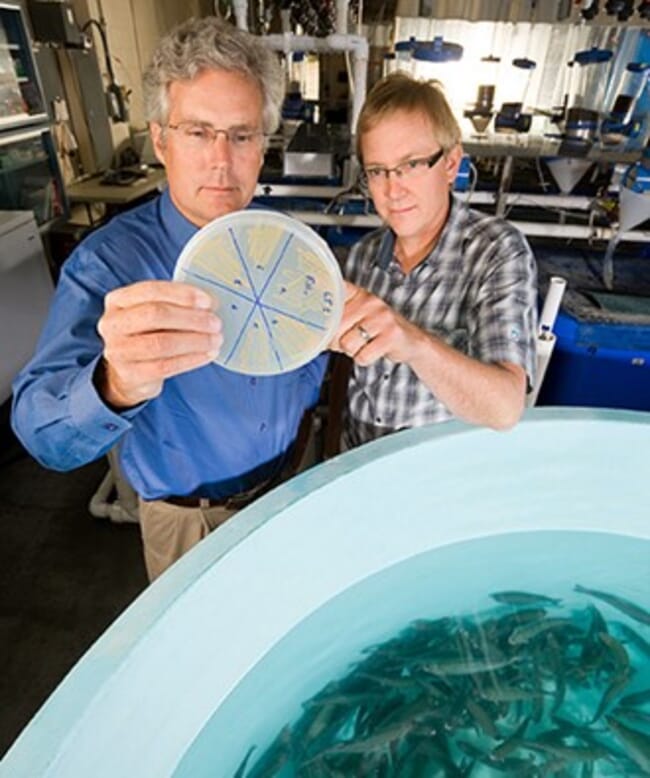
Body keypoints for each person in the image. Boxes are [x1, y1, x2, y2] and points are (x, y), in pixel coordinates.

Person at [11, 17, 328, 581]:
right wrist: (113, 385)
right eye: (198, 132)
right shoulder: (109, 264)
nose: (221, 159)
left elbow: (310, 360)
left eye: (242, 134)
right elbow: (43, 435)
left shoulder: (284, 245)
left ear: (263, 144)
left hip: (289, 492)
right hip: (190, 524)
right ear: (160, 140)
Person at [330, 72, 538, 449]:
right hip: (356, 466)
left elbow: (506, 407)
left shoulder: (495, 251)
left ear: (450, 163)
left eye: (411, 164)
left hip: (437, 477)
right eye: (378, 171)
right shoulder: (362, 257)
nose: (394, 189)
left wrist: (413, 343)